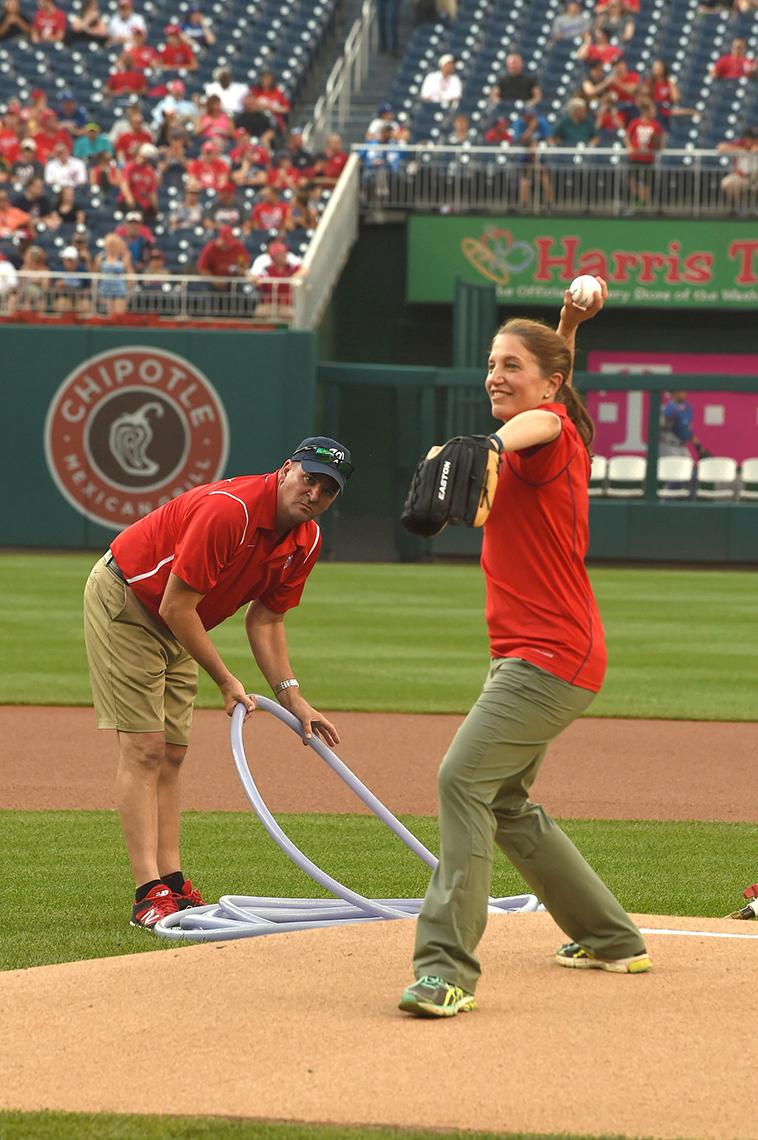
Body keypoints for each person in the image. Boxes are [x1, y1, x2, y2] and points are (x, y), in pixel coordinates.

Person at [398, 281, 652, 1019]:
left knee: (461, 782)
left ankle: (445, 969)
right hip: (537, 652)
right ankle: (610, 936)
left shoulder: (546, 437)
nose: (494, 375)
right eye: (491, 363)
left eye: (511, 363)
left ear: (547, 384)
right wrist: (568, 322)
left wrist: (492, 441)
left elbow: (542, 418)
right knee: (505, 801)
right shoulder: (551, 415)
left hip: (550, 655)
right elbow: (554, 386)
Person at [82, 437, 353, 929]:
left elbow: (266, 621)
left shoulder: (306, 540)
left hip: (181, 620)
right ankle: (148, 891)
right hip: (129, 599)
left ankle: (173, 878)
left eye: (328, 489)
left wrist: (294, 699)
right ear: (287, 468)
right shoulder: (232, 512)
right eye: (309, 478)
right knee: (144, 748)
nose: (314, 493)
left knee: (173, 752)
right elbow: (173, 604)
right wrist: (227, 680)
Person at [660, 390, 709, 458]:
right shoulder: (666, 408)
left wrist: (699, 447)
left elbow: (688, 430)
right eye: (681, 391)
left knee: (688, 465)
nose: (684, 394)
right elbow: (663, 427)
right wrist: (669, 417)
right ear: (674, 393)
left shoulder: (687, 408)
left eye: (684, 391)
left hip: (682, 446)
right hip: (669, 446)